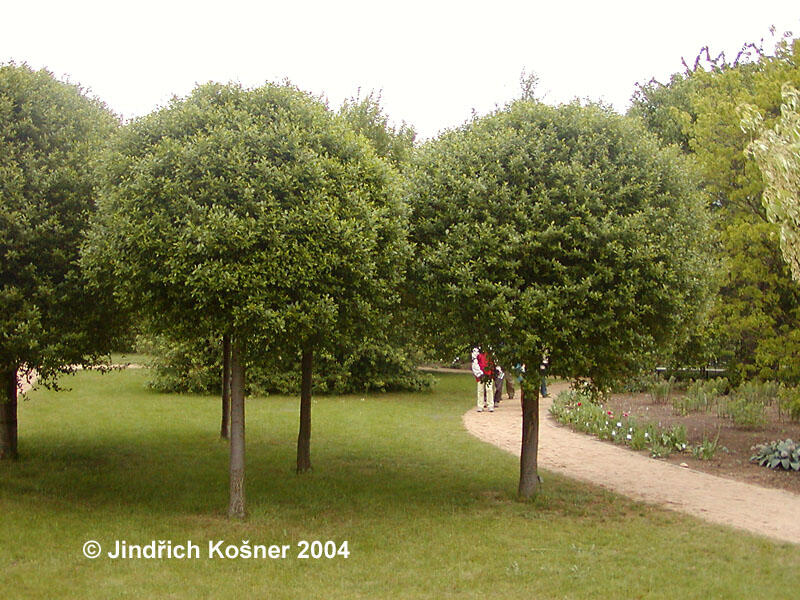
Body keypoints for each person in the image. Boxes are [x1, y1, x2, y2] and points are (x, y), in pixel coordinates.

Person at [471, 347, 495, 412]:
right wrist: (479, 373)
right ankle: (480, 405)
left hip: (489, 374)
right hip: (480, 374)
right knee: (480, 390)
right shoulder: (476, 352)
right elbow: (474, 364)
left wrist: (493, 372)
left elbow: (493, 362)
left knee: (489, 389)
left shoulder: (490, 352)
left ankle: (490, 405)